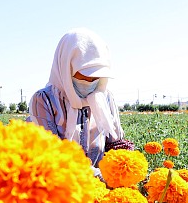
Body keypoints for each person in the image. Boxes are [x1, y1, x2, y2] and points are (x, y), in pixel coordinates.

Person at [27, 28, 135, 174]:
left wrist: (126, 168)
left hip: (103, 189)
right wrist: (97, 177)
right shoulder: (43, 101)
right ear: (66, 68)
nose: (89, 82)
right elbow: (51, 156)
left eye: (95, 78)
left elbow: (116, 144)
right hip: (62, 187)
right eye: (83, 76)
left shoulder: (105, 98)